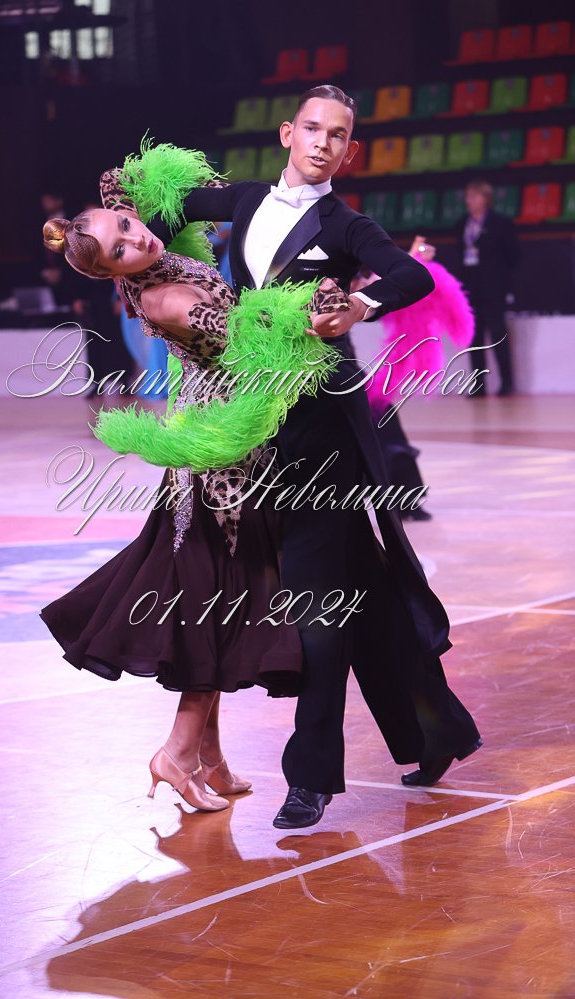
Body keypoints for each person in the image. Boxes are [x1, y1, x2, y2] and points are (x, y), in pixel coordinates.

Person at [141, 85, 482, 829]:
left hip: (324, 424)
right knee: (365, 589)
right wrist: (133, 258)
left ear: (349, 151)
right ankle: (438, 729)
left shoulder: (346, 224)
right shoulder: (245, 201)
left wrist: (360, 305)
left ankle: (312, 776)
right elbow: (166, 212)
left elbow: (412, 275)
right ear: (287, 134)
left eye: (338, 135)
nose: (323, 143)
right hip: (255, 421)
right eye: (313, 129)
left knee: (316, 602)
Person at [38, 160, 347, 815]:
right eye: (121, 247)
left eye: (128, 224)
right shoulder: (164, 299)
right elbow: (253, 344)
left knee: (212, 600)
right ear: (113, 274)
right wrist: (316, 305)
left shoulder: (152, 261)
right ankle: (177, 753)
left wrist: (119, 200)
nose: (138, 236)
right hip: (220, 467)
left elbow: (117, 179)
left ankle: (209, 756)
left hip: (217, 450)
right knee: (221, 606)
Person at [351, 235, 475, 521]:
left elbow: (369, 291)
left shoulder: (345, 260)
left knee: (383, 422)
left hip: (341, 368)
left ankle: (405, 498)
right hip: (304, 372)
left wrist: (409, 262)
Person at [454, 180, 520, 397]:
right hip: (470, 288)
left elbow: (513, 256)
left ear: (485, 198)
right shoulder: (462, 224)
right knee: (474, 338)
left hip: (493, 289)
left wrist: (499, 278)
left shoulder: (501, 223)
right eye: (467, 197)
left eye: (473, 196)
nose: (469, 201)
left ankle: (507, 383)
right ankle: (478, 384)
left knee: (498, 335)